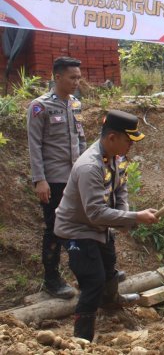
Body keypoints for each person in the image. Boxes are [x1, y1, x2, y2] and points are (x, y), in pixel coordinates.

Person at [55, 111, 159, 341]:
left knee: (109, 269)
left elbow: (120, 189)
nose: (131, 144)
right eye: (128, 140)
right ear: (112, 137)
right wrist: (134, 217)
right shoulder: (90, 166)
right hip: (78, 230)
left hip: (100, 227)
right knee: (93, 281)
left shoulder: (116, 157)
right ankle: (82, 339)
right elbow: (94, 213)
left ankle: (111, 303)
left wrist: (123, 215)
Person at [26, 56, 86, 299]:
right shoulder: (40, 106)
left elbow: (80, 140)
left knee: (81, 226)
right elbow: (35, 145)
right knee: (54, 229)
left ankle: (88, 274)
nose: (76, 82)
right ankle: (52, 279)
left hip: (74, 178)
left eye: (78, 78)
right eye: (72, 77)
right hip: (53, 180)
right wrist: (39, 179)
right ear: (57, 77)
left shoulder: (75, 104)